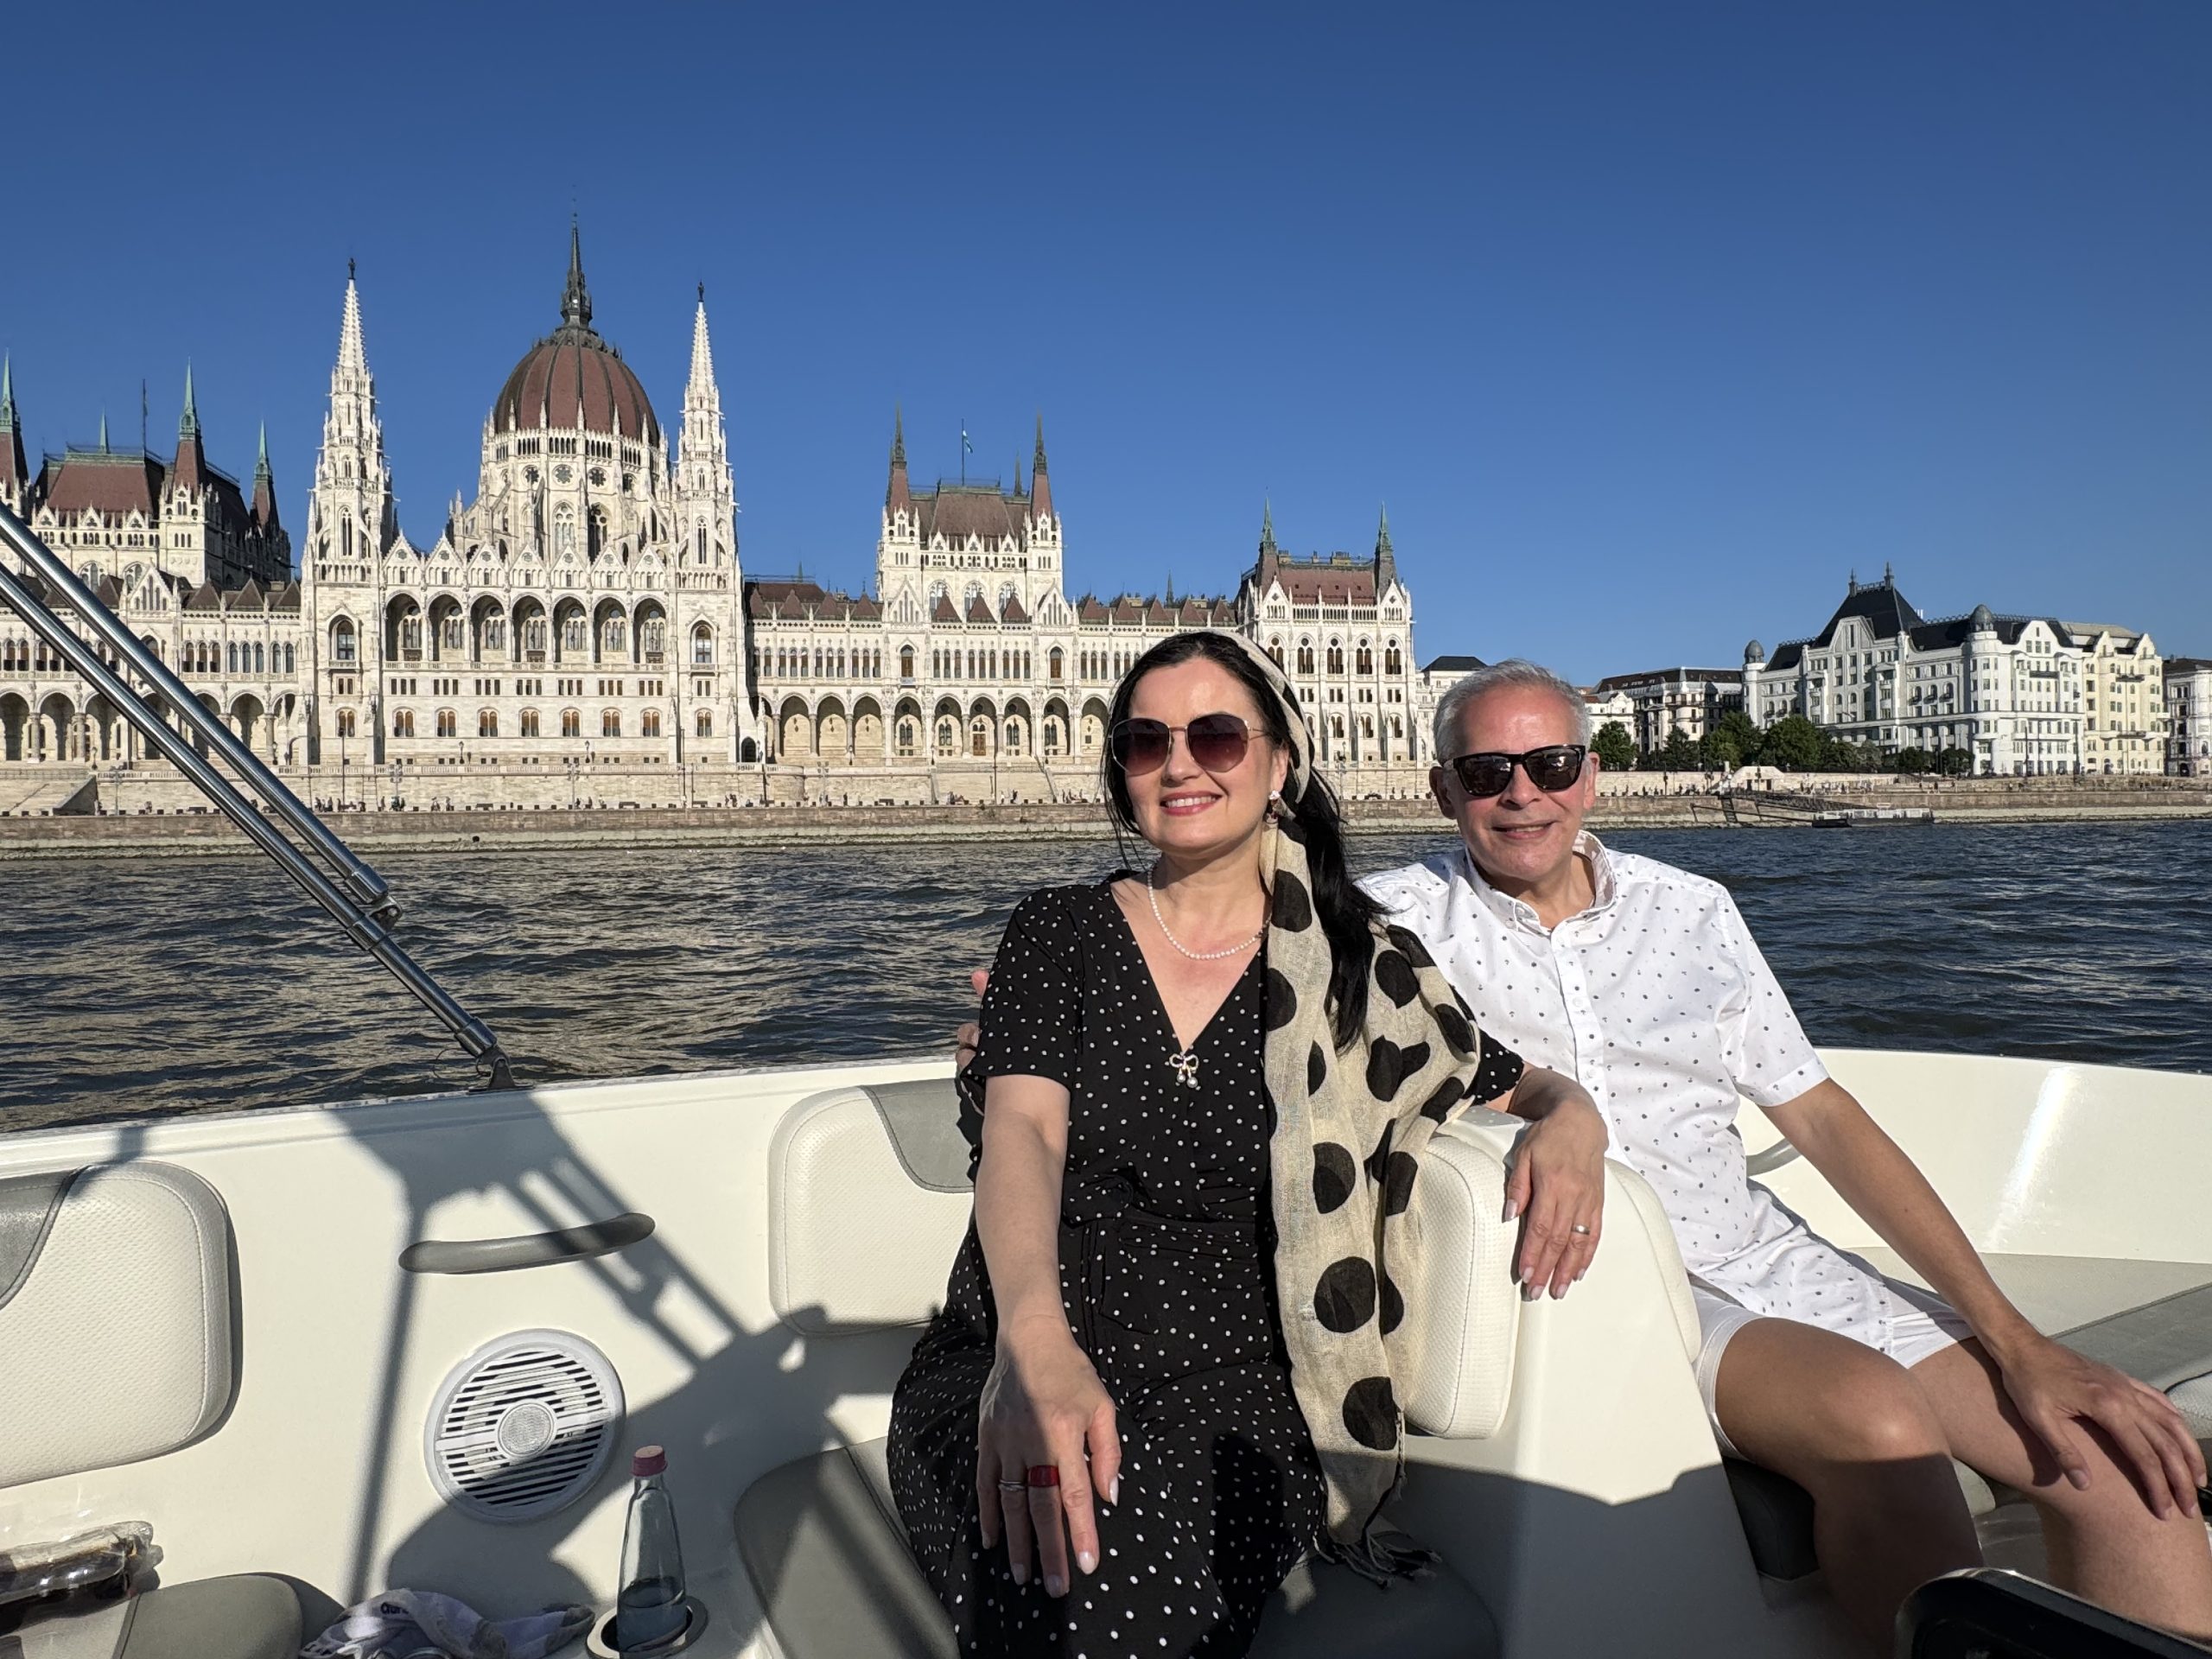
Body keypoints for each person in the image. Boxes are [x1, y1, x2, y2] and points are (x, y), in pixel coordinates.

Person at [1363, 658, 2212, 1649]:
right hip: (1599, 1282)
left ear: (1589, 775)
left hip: (1759, 1248)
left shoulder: (1690, 909)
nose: (1522, 794)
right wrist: (1561, 1107)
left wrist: (2020, 1344)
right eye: (1485, 773)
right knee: (1879, 1424)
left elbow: (1822, 1119)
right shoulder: (1386, 924)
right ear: (1442, 791)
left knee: (2119, 1461)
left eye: (1549, 763)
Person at [889, 632, 1608, 1658]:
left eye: (1216, 737)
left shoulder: (1361, 962)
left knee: (1103, 1605)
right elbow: (1022, 1132)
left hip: (1239, 1385)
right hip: (1017, 1345)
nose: (1179, 764)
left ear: (1280, 765)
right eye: (1146, 743)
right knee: (1055, 1589)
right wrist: (1031, 1348)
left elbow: (1509, 1076)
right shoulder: (1058, 931)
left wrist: (1574, 1115)